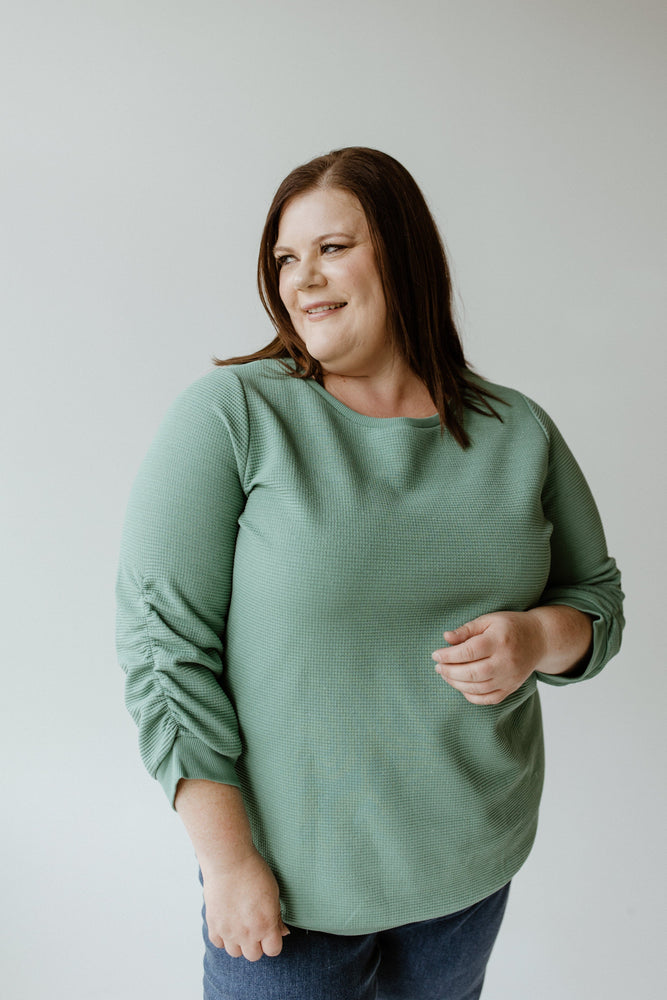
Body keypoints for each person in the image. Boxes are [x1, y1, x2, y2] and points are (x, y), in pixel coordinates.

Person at [116, 147, 624, 1000]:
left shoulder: (518, 430)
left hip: (469, 871)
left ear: (401, 250)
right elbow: (163, 650)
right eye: (285, 257)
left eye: (332, 247)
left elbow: (597, 605)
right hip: (288, 899)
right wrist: (228, 861)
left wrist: (538, 636)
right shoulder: (234, 416)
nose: (302, 279)